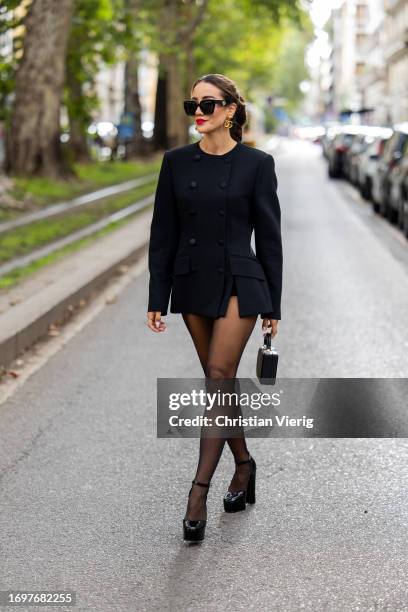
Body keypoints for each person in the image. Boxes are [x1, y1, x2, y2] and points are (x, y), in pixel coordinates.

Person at [147, 73, 282, 542]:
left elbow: (269, 239)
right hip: (191, 282)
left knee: (220, 375)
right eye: (193, 105)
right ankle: (244, 465)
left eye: (208, 104)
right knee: (219, 385)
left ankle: (197, 492)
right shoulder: (175, 162)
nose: (199, 112)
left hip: (241, 283)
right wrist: (156, 296)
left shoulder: (257, 164)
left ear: (231, 111)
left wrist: (274, 305)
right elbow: (163, 233)